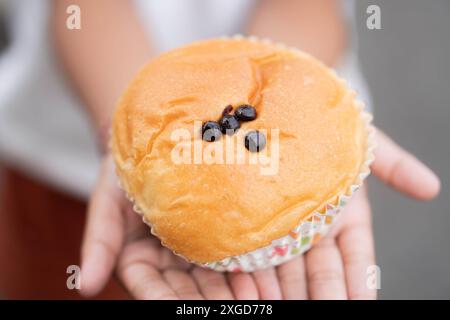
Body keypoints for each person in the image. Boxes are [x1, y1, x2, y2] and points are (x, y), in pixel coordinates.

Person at [0, 0, 440, 299]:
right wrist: (128, 131)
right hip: (60, 153)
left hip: (308, 83)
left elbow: (306, 8)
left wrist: (293, 99)